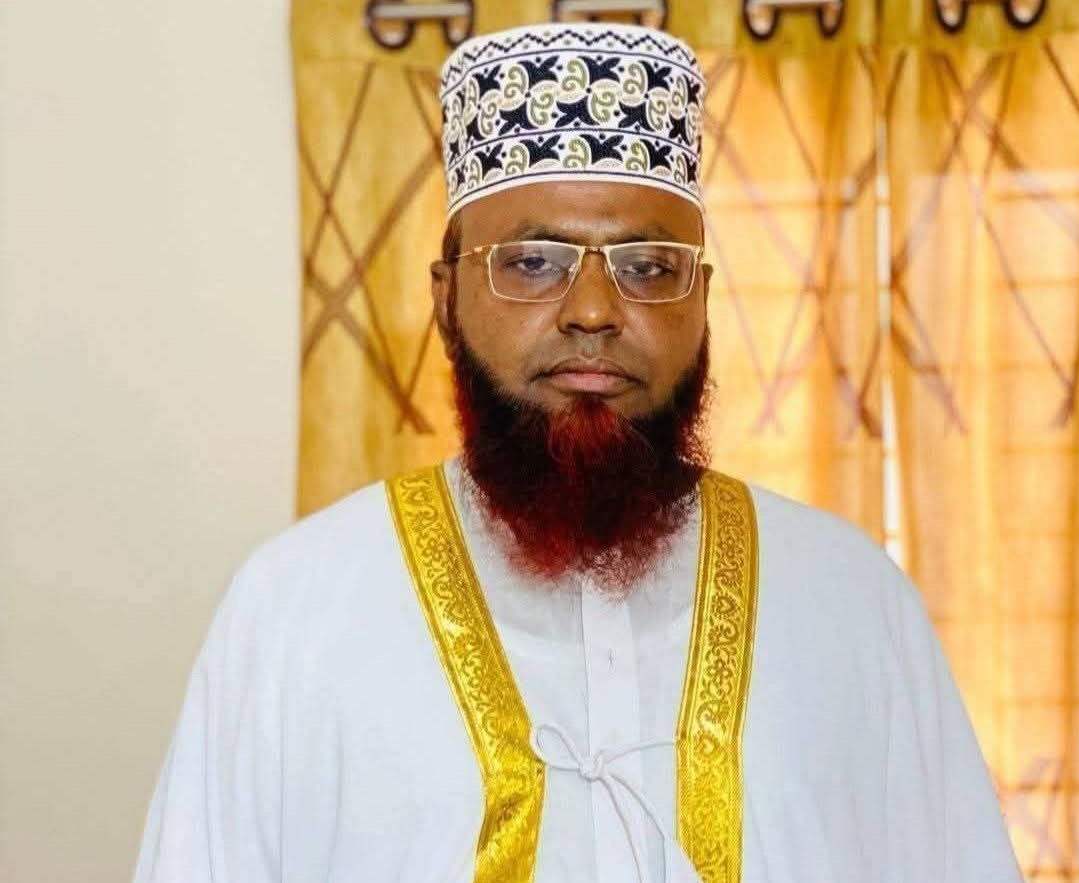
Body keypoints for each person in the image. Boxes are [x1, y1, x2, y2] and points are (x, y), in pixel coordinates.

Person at [132, 20, 1024, 883]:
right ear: (445, 300)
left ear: (701, 298)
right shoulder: (293, 613)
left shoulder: (855, 607)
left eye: (648, 266)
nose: (593, 310)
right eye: (532, 261)